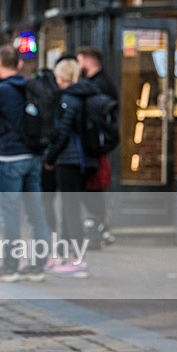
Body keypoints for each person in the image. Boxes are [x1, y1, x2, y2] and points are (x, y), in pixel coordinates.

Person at [0, 44, 50, 282]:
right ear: (19, 64)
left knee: (10, 213)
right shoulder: (29, 86)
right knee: (36, 212)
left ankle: (11, 266)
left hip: (10, 158)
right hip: (33, 156)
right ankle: (37, 266)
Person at [43, 59, 99, 278]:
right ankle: (67, 257)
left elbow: (63, 132)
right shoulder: (84, 95)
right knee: (69, 209)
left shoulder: (69, 99)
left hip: (69, 160)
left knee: (71, 210)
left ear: (62, 77)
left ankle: (78, 260)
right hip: (81, 159)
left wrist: (51, 156)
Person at [76, 46, 117, 249]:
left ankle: (99, 229)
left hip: (94, 147)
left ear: (88, 60)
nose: (78, 64)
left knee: (92, 188)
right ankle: (100, 229)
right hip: (93, 146)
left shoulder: (99, 84)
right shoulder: (96, 83)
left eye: (80, 59)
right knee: (92, 189)